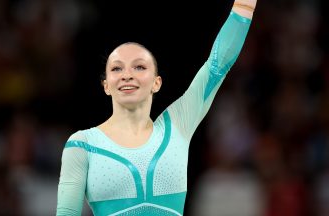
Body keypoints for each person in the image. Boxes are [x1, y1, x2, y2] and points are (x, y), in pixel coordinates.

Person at [56, 0, 257, 215]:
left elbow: (218, 66)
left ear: (156, 82)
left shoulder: (177, 126)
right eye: (116, 68)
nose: (127, 75)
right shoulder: (83, 145)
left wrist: (244, 5)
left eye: (139, 67)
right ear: (106, 86)